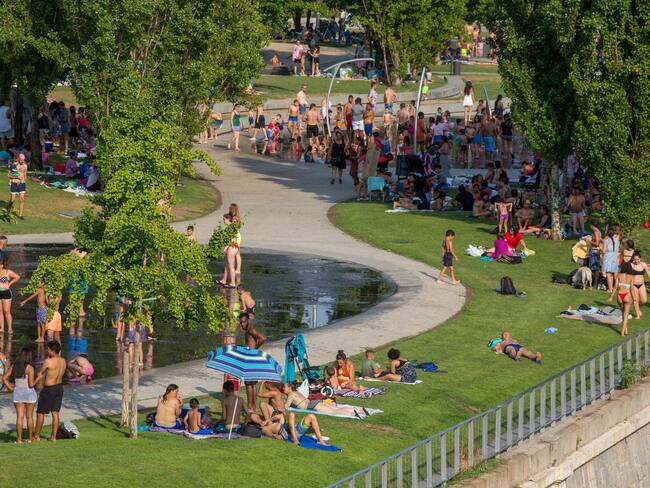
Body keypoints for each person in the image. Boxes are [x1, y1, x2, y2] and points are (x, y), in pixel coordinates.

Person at [2, 347, 38, 443]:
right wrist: (38, 379)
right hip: (29, 394)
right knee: (29, 417)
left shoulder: (15, 366)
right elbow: (31, 384)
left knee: (19, 417)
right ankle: (30, 439)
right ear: (29, 356)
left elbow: (4, 378)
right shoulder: (30, 368)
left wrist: (10, 388)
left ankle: (19, 440)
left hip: (18, 393)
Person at [34, 341, 66, 441]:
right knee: (55, 412)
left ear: (52, 350)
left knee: (40, 412)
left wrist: (32, 384)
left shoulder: (48, 361)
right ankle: (53, 436)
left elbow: (40, 374)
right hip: (59, 388)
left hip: (49, 389)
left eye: (48, 349)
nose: (47, 350)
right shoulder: (63, 361)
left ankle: (37, 436)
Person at [284, 382, 368, 418]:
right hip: (315, 402)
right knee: (336, 408)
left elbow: (286, 406)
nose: (284, 388)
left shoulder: (291, 395)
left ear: (289, 388)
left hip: (312, 405)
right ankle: (360, 410)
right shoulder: (297, 392)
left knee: (334, 412)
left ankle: (355, 413)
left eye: (285, 387)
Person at [240, 312, 265, 413]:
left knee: (248, 384)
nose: (242, 324)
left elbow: (262, 338)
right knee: (252, 383)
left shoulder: (250, 329)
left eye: (244, 322)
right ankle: (253, 405)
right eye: (241, 323)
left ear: (248, 321)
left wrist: (254, 349)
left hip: (250, 358)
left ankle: (250, 406)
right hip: (252, 358)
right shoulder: (249, 329)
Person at [0, 256, 20, 335]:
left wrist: (10, 283)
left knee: (6, 311)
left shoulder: (7, 272)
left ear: (2, 265)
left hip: (6, 293)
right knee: (0, 312)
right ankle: (1, 328)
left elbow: (17, 277)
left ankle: (10, 328)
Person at [629, 251, 649, 320]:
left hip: (642, 284)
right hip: (633, 285)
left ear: (640, 259)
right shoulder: (631, 265)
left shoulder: (643, 264)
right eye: (635, 259)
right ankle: (637, 315)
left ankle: (638, 308)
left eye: (637, 259)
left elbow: (648, 273)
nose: (636, 261)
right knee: (635, 300)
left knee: (644, 301)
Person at [7, 153, 27, 219]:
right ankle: (7, 209)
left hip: (22, 184)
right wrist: (17, 177)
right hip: (14, 183)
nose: (22, 161)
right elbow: (9, 175)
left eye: (23, 160)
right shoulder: (13, 165)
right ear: (18, 158)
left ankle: (20, 215)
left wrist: (24, 180)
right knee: (13, 199)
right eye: (21, 159)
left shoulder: (25, 166)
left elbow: (25, 174)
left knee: (22, 199)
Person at [601, 227, 620, 294]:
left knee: (609, 274)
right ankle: (615, 287)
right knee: (614, 273)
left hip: (608, 257)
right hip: (614, 257)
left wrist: (600, 248)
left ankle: (610, 289)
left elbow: (603, 251)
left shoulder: (606, 240)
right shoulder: (617, 240)